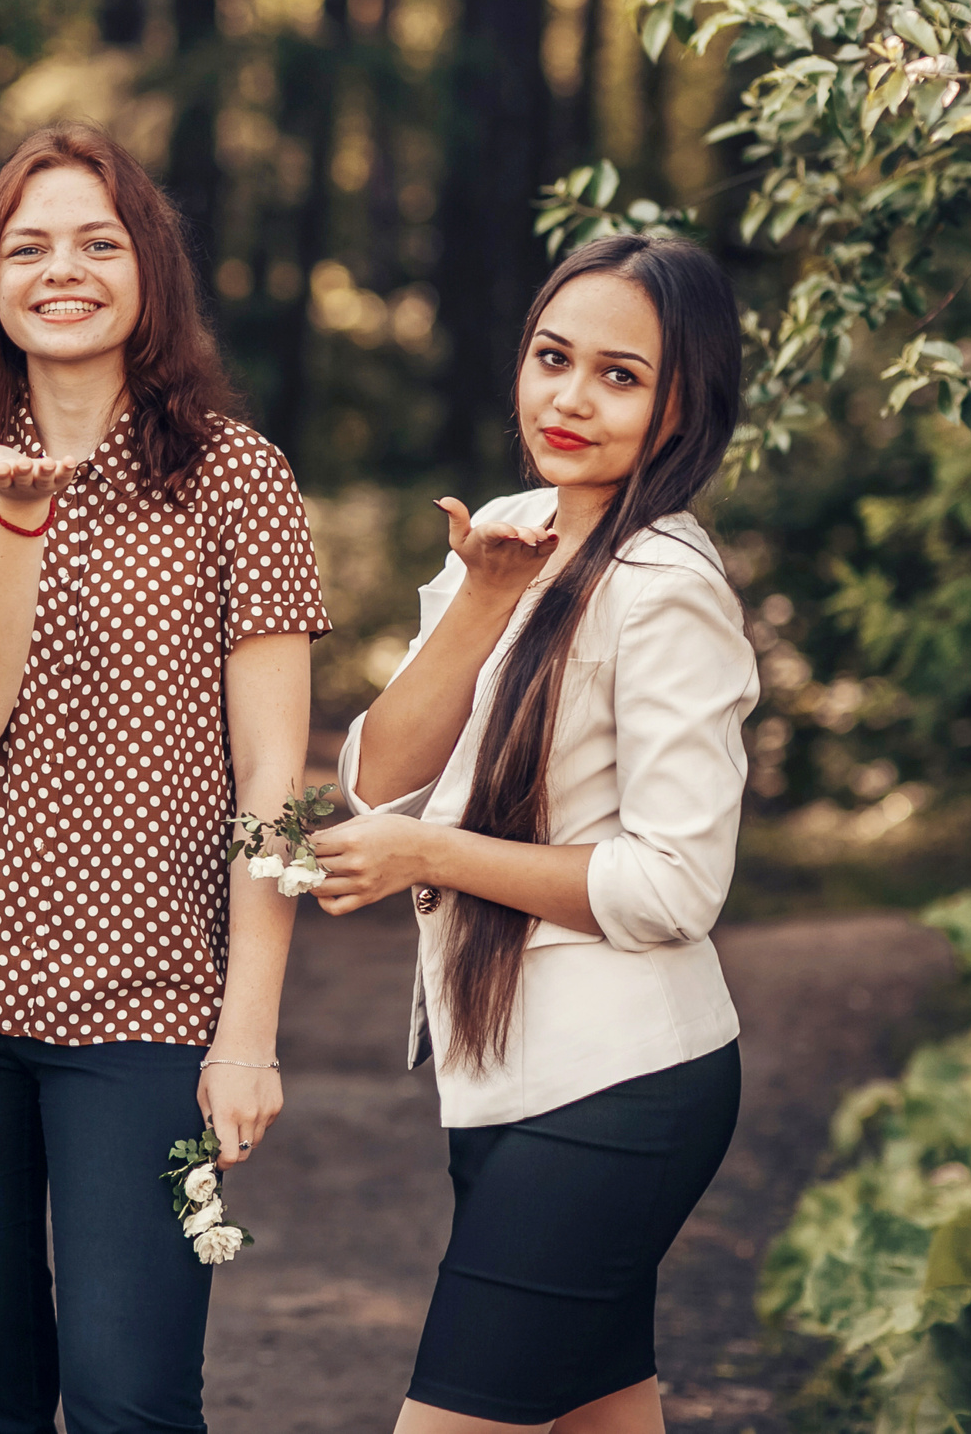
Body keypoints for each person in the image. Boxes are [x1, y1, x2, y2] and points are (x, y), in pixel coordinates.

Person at [0, 122, 328, 1433]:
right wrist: (18, 519)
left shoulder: (240, 479)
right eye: (29, 247)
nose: (62, 270)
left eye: (97, 243)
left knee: (133, 1395)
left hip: (152, 1002)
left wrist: (248, 1029)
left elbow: (275, 779)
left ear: (149, 272)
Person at [317, 234, 756, 1432]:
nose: (568, 398)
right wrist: (481, 598)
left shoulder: (666, 588)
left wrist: (432, 856)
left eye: (620, 376)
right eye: (552, 359)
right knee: (601, 1413)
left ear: (682, 407)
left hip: (619, 1086)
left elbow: (673, 886)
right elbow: (378, 780)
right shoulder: (511, 530)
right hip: (510, 1077)